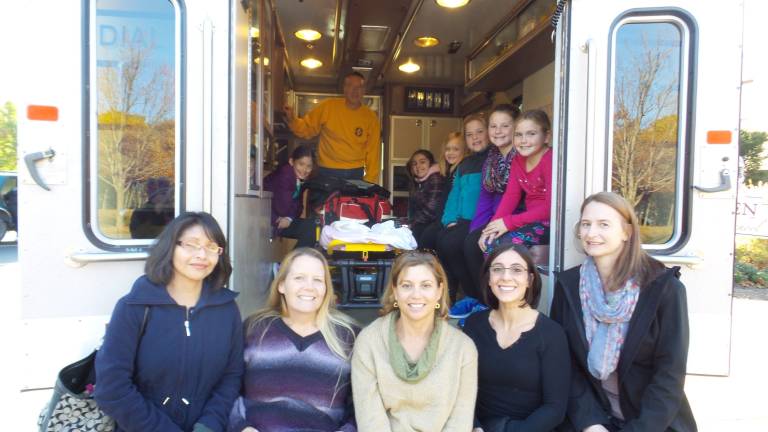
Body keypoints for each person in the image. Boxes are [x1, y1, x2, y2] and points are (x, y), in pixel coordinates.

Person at [550, 192, 697, 431]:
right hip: (592, 418)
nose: (591, 233)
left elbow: (669, 375)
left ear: (627, 232)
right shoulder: (569, 285)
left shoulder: (664, 289)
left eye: (603, 224)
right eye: (585, 224)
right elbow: (566, 366)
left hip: (651, 422)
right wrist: (591, 422)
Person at [95, 212, 244, 432]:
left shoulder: (227, 309)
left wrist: (209, 424)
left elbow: (231, 376)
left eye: (212, 247)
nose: (202, 254)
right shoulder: (134, 307)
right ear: (170, 248)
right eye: (191, 244)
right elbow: (112, 388)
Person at [228, 248, 357, 432]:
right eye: (299, 278)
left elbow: (362, 404)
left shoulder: (348, 336)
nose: (309, 286)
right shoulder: (254, 329)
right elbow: (228, 388)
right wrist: (241, 427)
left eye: (318, 280)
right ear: (281, 284)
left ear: (326, 288)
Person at [351, 251, 478, 432]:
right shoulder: (369, 341)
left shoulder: (463, 348)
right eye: (406, 285)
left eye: (426, 285)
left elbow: (460, 420)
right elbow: (370, 419)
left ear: (439, 291)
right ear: (395, 291)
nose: (416, 295)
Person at [463, 244, 569, 431]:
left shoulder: (552, 334)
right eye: (497, 269)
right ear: (489, 278)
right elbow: (461, 389)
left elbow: (555, 408)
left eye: (516, 270)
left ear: (530, 279)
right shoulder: (473, 325)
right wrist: (475, 427)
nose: (506, 277)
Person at [451, 104, 518, 315]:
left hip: (515, 218)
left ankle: (490, 305)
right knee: (470, 241)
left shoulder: (519, 156)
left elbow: (513, 198)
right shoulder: (492, 159)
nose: (497, 131)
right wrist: (478, 228)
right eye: (493, 126)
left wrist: (491, 228)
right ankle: (479, 300)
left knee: (475, 245)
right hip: (496, 218)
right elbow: (485, 197)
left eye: (504, 126)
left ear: (515, 127)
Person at [284, 72, 381, 183]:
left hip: (355, 173)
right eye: (351, 86)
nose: (355, 91)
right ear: (344, 89)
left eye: (359, 87)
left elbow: (373, 153)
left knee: (351, 201)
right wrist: (292, 119)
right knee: (326, 201)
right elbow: (307, 129)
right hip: (327, 170)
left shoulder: (371, 118)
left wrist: (370, 182)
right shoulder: (328, 107)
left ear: (364, 90)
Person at [479, 110, 553, 254]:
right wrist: (491, 228)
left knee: (502, 246)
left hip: (550, 223)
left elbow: (550, 208)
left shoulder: (550, 160)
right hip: (530, 220)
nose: (523, 140)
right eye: (518, 135)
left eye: (531, 134)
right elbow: (511, 196)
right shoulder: (518, 160)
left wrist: (508, 222)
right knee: (489, 241)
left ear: (546, 137)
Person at [436, 115, 490, 302]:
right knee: (443, 240)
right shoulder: (465, 164)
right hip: (464, 219)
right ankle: (468, 293)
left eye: (479, 132)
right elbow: (454, 195)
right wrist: (449, 220)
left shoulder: (493, 159)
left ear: (489, 132)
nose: (475, 137)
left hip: (482, 220)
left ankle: (481, 298)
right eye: (469, 134)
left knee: (459, 244)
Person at [418, 132, 469, 251]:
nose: (450, 153)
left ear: (465, 151)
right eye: (448, 149)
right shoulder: (449, 171)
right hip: (442, 220)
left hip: (452, 222)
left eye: (456, 149)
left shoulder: (462, 170)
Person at [263, 145, 317, 248]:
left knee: (312, 226)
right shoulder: (286, 175)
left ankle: (292, 261)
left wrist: (289, 217)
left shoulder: (297, 179)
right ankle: (293, 262)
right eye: (301, 164)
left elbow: (299, 208)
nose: (305, 170)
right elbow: (283, 209)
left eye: (309, 166)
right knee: (311, 228)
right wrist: (289, 216)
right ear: (292, 162)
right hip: (268, 218)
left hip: (280, 218)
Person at [406, 149, 445, 247]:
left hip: (433, 224)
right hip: (422, 223)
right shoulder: (419, 182)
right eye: (414, 164)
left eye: (422, 162)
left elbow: (431, 209)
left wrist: (411, 224)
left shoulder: (435, 178)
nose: (418, 166)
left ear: (431, 164)